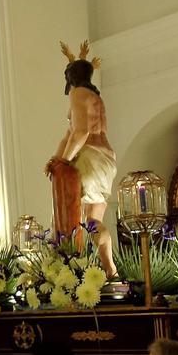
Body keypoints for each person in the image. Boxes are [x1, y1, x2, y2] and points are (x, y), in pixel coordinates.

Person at [46, 41, 117, 277]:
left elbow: (80, 132)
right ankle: (110, 270)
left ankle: (69, 269)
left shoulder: (77, 93)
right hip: (105, 159)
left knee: (73, 216)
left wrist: (63, 162)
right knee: (93, 220)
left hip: (90, 157)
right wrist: (57, 157)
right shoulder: (94, 96)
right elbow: (70, 133)